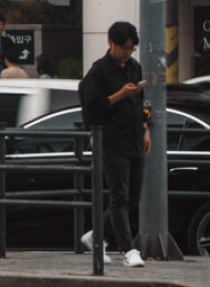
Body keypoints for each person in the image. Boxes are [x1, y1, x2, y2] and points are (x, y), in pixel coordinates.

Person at [78, 21, 150, 268]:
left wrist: (145, 128)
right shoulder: (98, 72)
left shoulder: (134, 68)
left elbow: (142, 103)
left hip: (134, 139)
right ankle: (129, 250)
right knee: (119, 196)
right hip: (111, 140)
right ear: (111, 43)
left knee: (132, 197)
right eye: (124, 48)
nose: (127, 53)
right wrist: (120, 95)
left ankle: (95, 235)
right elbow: (92, 110)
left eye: (131, 49)